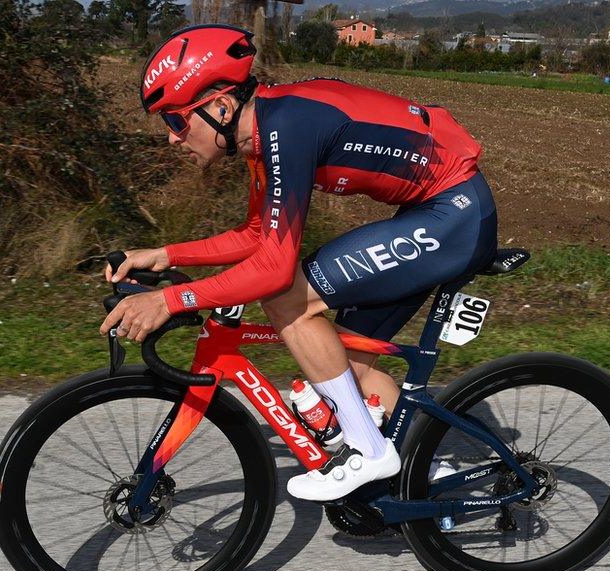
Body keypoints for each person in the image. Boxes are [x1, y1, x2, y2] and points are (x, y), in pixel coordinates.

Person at [100, 24, 498, 501]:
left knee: (287, 298)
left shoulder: (287, 127)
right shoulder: (263, 137)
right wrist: (166, 255)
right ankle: (426, 477)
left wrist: (170, 300)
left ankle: (370, 453)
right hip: (430, 213)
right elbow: (255, 237)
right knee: (348, 363)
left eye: (176, 121)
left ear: (221, 107)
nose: (171, 138)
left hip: (454, 214)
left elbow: (273, 269)